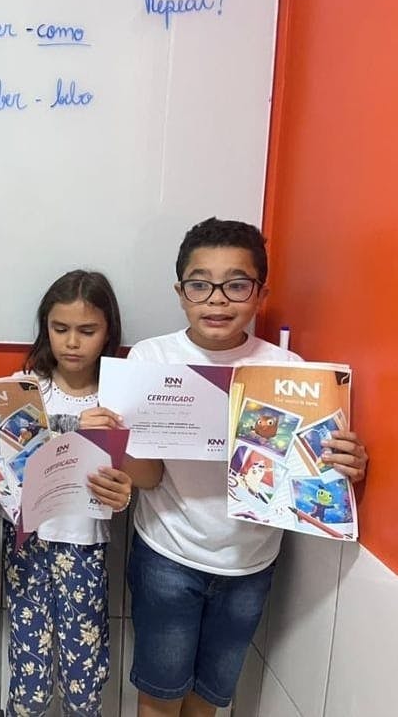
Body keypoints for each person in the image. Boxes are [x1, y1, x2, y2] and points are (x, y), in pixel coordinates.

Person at [125, 218, 367, 717]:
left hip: (250, 563)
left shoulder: (291, 371)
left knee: (210, 700)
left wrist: (345, 465)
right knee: (160, 697)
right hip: (168, 556)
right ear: (181, 292)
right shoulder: (153, 359)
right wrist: (114, 438)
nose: (217, 299)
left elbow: (308, 477)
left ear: (260, 293)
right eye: (200, 283)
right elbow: (146, 477)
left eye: (236, 284)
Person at [0, 270, 148, 716]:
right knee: (29, 676)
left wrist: (122, 489)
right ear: (45, 328)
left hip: (85, 549)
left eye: (87, 330)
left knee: (84, 681)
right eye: (60, 329)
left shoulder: (116, 396)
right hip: (27, 546)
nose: (72, 342)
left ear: (108, 331)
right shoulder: (23, 387)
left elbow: (134, 477)